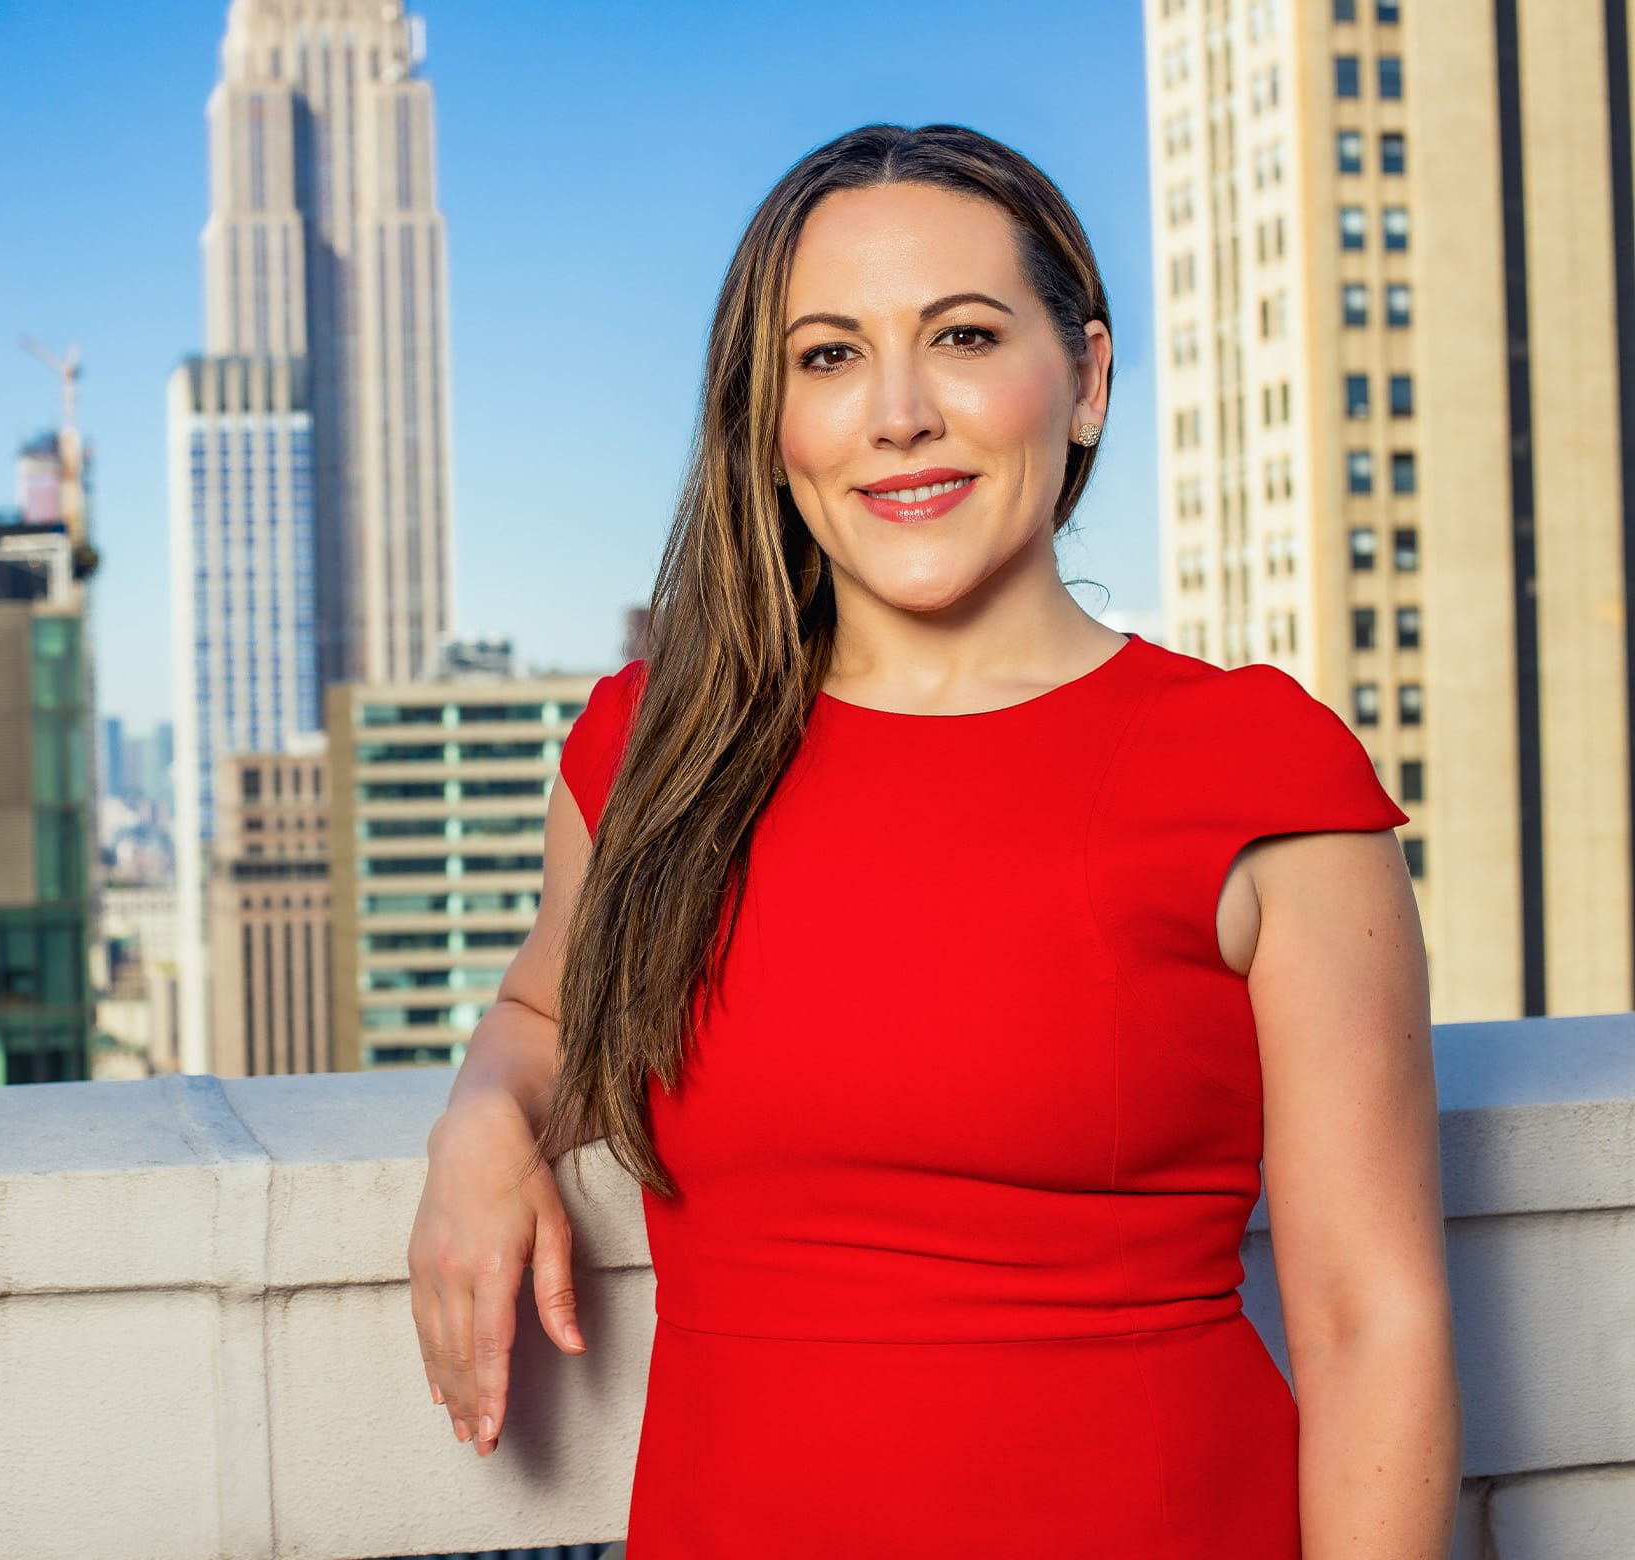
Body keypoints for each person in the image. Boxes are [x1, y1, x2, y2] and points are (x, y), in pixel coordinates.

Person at [407, 122, 1461, 1556]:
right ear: (769, 427)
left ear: (1084, 380)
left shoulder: (1259, 772)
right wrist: (482, 1118)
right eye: (828, 356)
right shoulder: (650, 750)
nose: (898, 414)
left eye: (963, 336)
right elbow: (549, 1007)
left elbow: (1368, 1322)